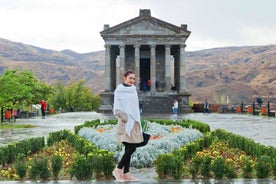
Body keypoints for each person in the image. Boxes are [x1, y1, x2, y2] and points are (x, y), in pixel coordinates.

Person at [112, 70, 144, 181]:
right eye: (130, 78)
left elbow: (134, 107)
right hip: (125, 122)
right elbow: (116, 108)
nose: (132, 81)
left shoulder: (133, 90)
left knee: (129, 148)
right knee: (131, 147)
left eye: (134, 79)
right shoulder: (119, 91)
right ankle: (118, 169)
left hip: (134, 121)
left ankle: (126, 173)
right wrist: (123, 116)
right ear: (124, 78)